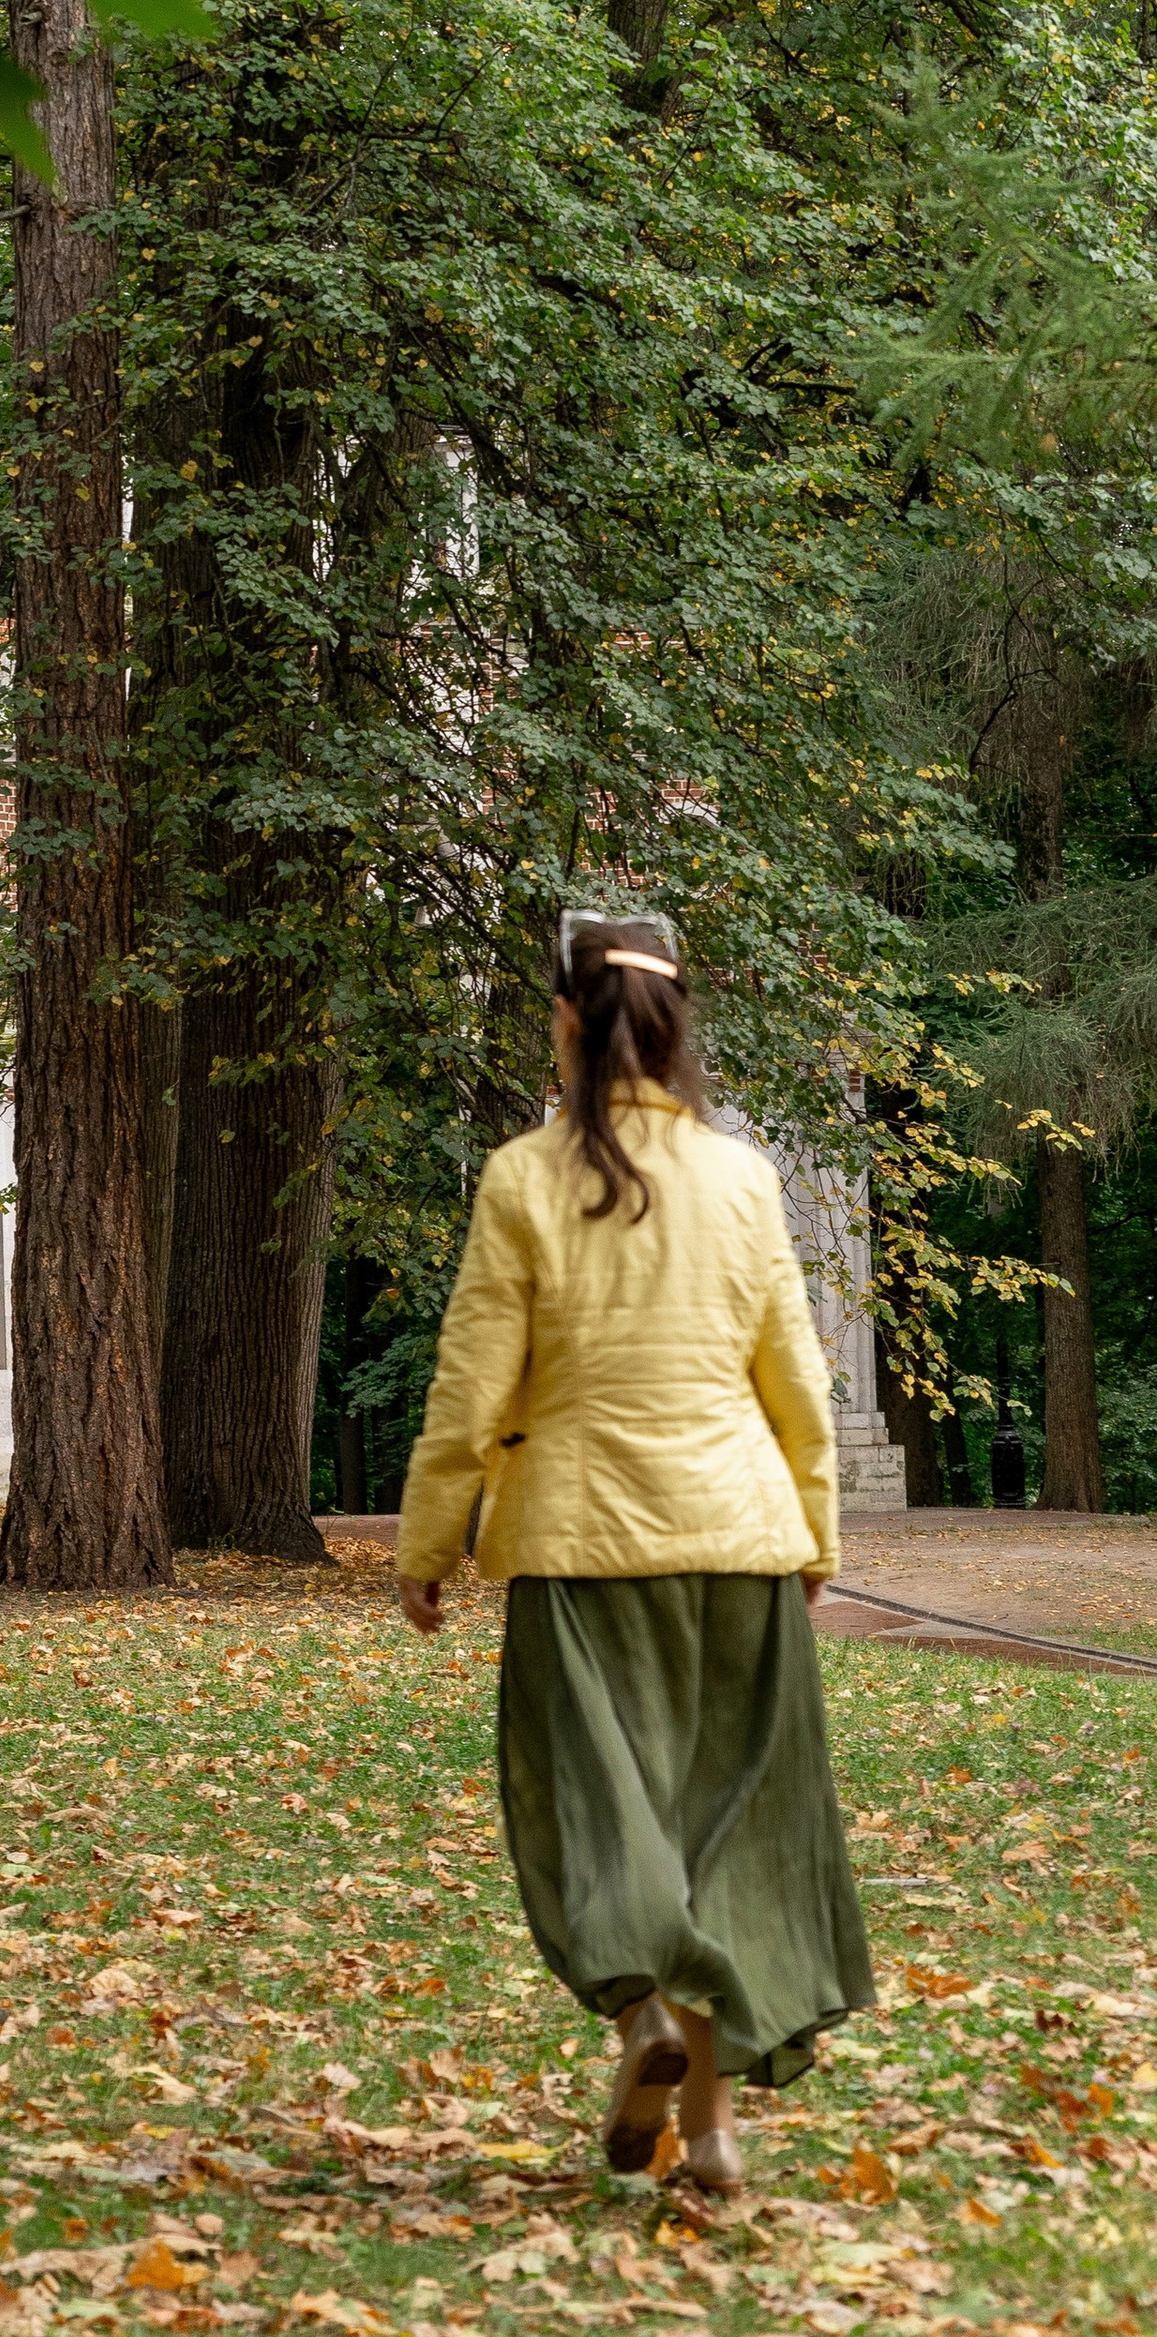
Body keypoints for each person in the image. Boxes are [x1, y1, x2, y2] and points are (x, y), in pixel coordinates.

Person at [394, 912, 872, 2197]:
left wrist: (429, 1538)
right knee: (731, 1834)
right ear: (673, 1026)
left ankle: (641, 2026)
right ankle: (711, 2131)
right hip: (741, 1548)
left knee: (591, 1817)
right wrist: (814, 1530)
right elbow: (797, 1381)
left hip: (580, 1547)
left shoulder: (522, 1177)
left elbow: (472, 1382)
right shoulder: (741, 1176)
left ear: (566, 1020)